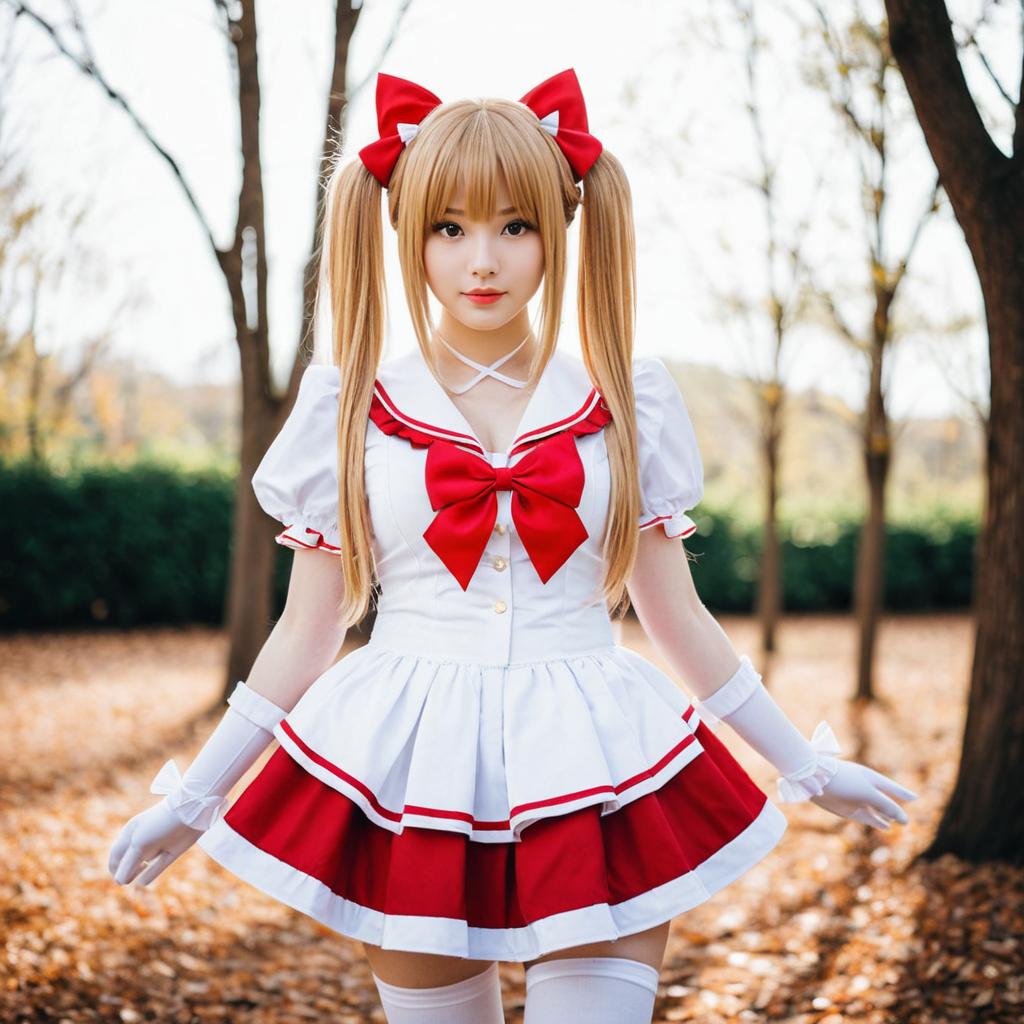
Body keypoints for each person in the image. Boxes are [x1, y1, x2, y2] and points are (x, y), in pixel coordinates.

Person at [107, 68, 918, 1024]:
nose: (480, 260)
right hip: (409, 759)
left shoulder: (625, 396)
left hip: (595, 754)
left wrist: (805, 766)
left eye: (514, 225)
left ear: (560, 228)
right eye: (449, 227)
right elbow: (307, 629)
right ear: (406, 231)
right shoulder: (351, 406)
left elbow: (676, 613)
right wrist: (196, 797)